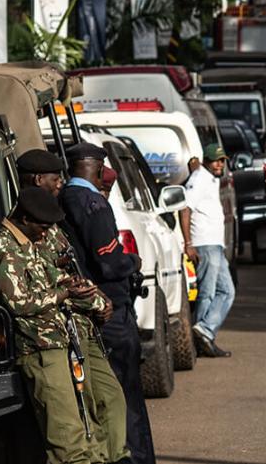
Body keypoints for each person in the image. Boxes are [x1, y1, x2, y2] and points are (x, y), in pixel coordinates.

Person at [0, 186, 132, 464]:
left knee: (99, 412)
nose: (46, 233)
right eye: (42, 227)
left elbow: (60, 277)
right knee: (68, 436)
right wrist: (63, 294)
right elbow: (18, 303)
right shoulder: (3, 248)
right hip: (40, 347)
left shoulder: (32, 240)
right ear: (26, 219)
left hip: (67, 337)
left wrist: (91, 298)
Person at [58, 143, 155, 464]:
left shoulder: (63, 200)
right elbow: (109, 264)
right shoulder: (92, 204)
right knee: (125, 395)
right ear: (98, 170)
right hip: (110, 312)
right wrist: (133, 261)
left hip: (88, 314)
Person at [181, 144, 235, 358]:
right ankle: (202, 337)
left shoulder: (208, 177)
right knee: (208, 293)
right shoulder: (200, 179)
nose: (220, 164)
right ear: (207, 161)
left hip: (215, 244)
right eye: (216, 160)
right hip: (204, 244)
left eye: (223, 160)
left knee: (227, 291)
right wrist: (188, 244)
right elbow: (185, 209)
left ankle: (205, 331)